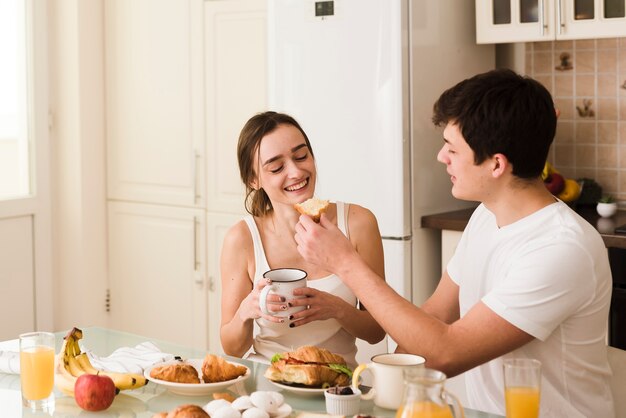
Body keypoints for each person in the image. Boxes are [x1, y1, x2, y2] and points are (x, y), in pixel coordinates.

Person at [294, 69, 614, 416]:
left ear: (496, 165)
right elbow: (436, 314)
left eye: (452, 149)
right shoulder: (486, 216)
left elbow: (448, 352)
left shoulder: (560, 249)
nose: (441, 157)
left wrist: (345, 263)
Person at [219, 111, 386, 367]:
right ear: (254, 180)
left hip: (336, 387)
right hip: (267, 381)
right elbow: (231, 348)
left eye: (301, 156)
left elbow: (376, 331)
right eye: (276, 167)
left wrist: (337, 309)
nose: (296, 172)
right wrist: (246, 311)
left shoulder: (358, 223)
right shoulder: (241, 239)